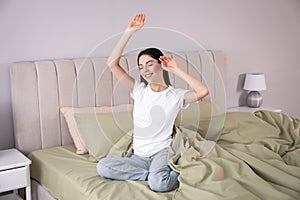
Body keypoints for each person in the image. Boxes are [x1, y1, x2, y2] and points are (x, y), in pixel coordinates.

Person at [97, 13, 209, 192]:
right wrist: (128, 32)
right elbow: (112, 64)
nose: (145, 70)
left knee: (160, 185)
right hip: (138, 157)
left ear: (161, 64)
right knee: (103, 166)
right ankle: (149, 175)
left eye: (149, 64)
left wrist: (176, 69)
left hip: (161, 153)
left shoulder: (175, 95)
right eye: (141, 66)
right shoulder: (138, 90)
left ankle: (174, 173)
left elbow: (203, 91)